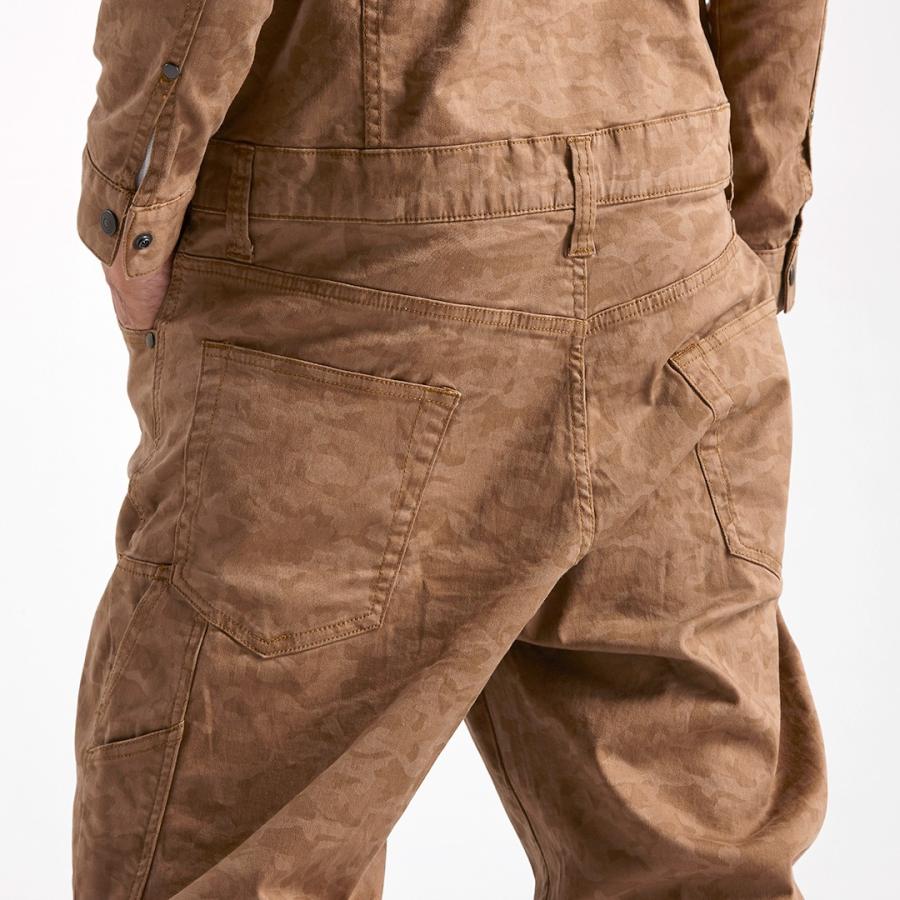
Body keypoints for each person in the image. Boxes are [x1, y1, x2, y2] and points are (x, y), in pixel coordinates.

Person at [72, 1, 829, 897]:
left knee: (235, 848)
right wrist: (754, 213)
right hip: (674, 251)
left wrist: (133, 209)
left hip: (361, 250)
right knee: (694, 858)